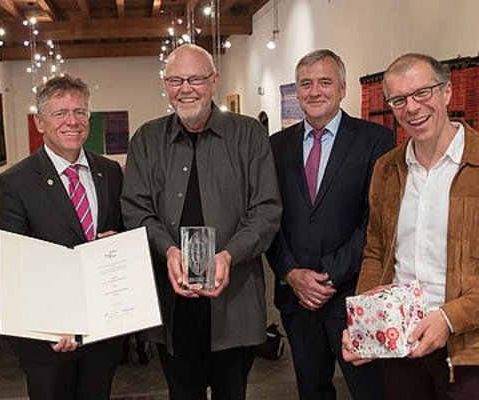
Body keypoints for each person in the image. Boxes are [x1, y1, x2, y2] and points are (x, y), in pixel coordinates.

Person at [121, 44, 282, 399]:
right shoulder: (147, 140)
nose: (186, 87)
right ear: (166, 85)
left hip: (235, 300)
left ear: (214, 82)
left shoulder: (249, 135)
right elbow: (135, 209)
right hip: (173, 305)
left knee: (232, 392)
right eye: (175, 79)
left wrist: (228, 255)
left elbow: (267, 209)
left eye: (195, 78)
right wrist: (168, 250)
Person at [342, 53, 479, 399]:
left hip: (468, 351)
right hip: (401, 345)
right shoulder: (387, 169)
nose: (412, 108)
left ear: (447, 91)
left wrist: (448, 319)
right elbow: (376, 252)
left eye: (422, 93)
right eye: (399, 100)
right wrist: (364, 322)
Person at [267, 49, 394, 400]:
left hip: (353, 294)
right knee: (312, 390)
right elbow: (268, 217)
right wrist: (292, 273)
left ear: (342, 88)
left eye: (325, 82)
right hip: (297, 299)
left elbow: (377, 219)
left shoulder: (376, 141)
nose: (314, 91)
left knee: (370, 391)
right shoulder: (275, 147)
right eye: (305, 84)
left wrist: (328, 275)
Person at [0, 74, 124, 400]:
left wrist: (117, 242)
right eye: (60, 113)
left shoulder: (110, 171)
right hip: (49, 339)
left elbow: (121, 237)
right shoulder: (14, 183)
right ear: (40, 123)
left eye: (80, 112)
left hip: (101, 330)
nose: (72, 121)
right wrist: (51, 323)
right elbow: (11, 267)